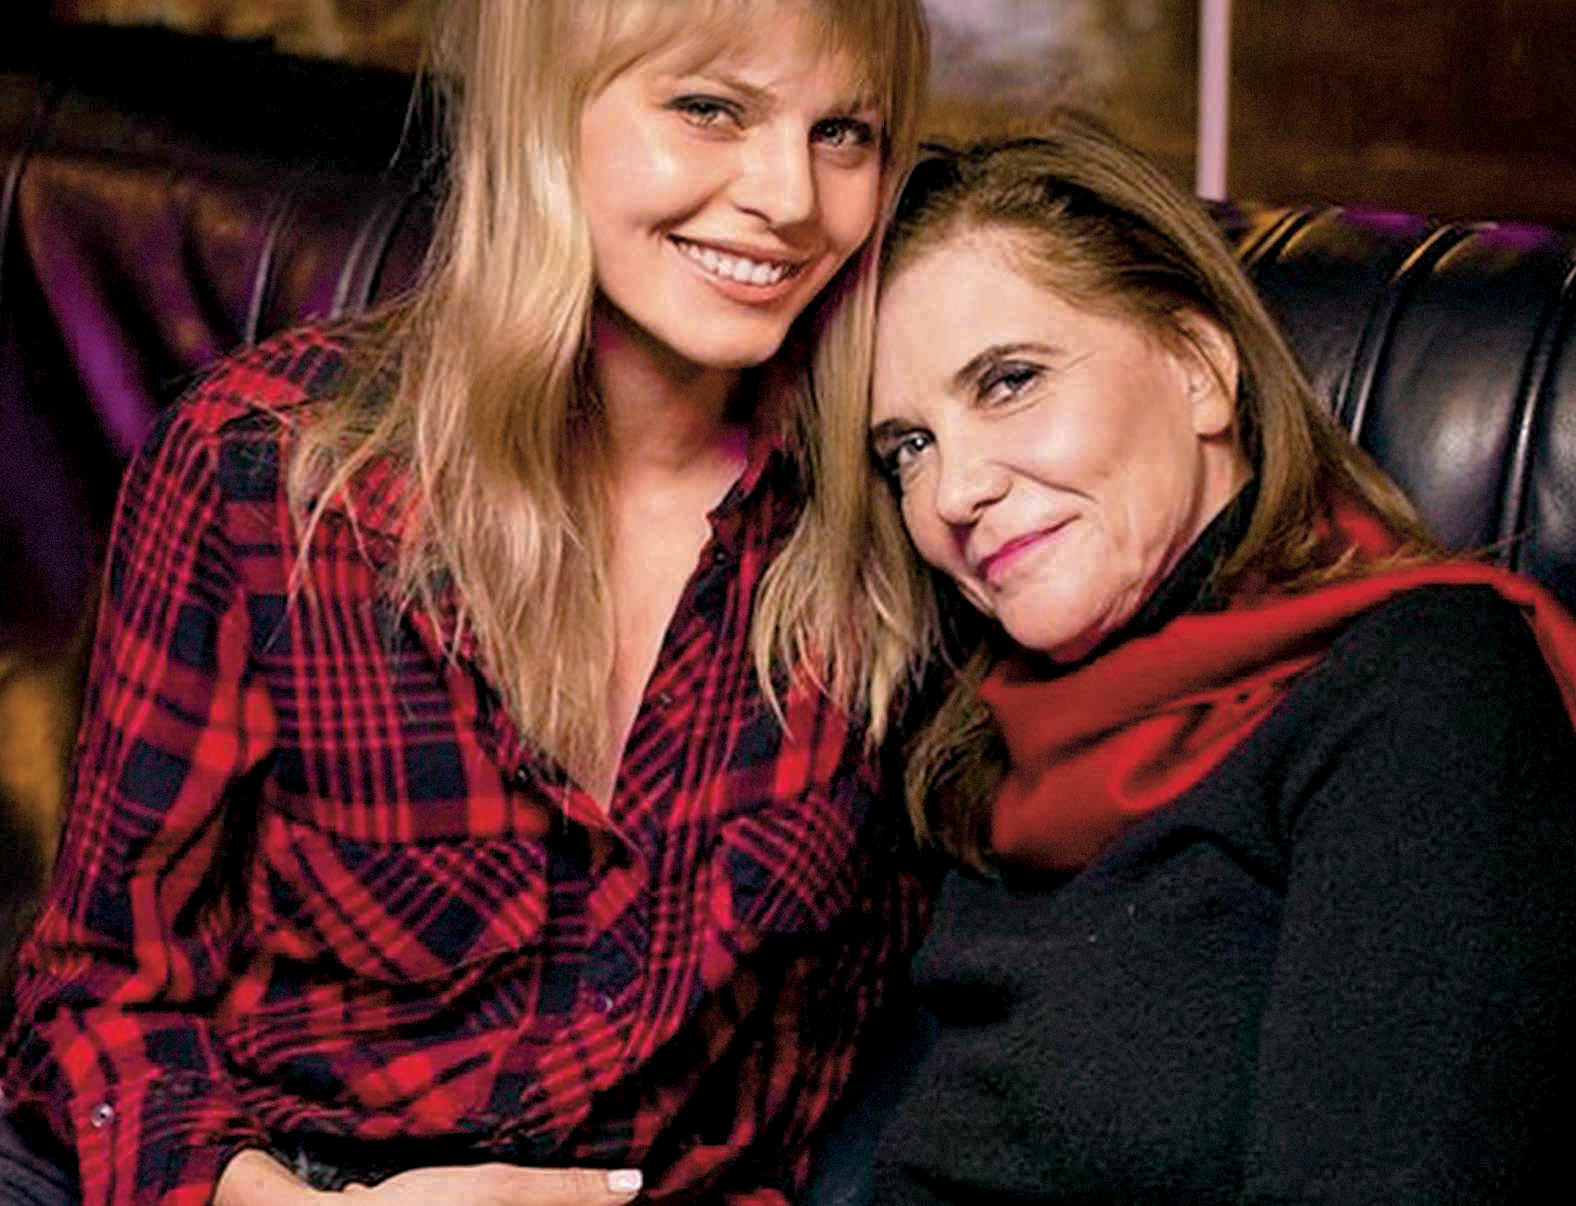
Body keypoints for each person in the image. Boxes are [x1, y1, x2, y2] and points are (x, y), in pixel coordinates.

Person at [0, 1, 930, 1203]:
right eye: (709, 110)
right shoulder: (263, 468)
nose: (792, 199)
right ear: (541, 119)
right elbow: (98, 989)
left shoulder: (896, 513)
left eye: (844, 133)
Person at [847, 120, 1576, 1202]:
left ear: (1198, 369)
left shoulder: (1421, 690)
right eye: (907, 447)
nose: (952, 492)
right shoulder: (981, 757)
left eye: (1009, 381)